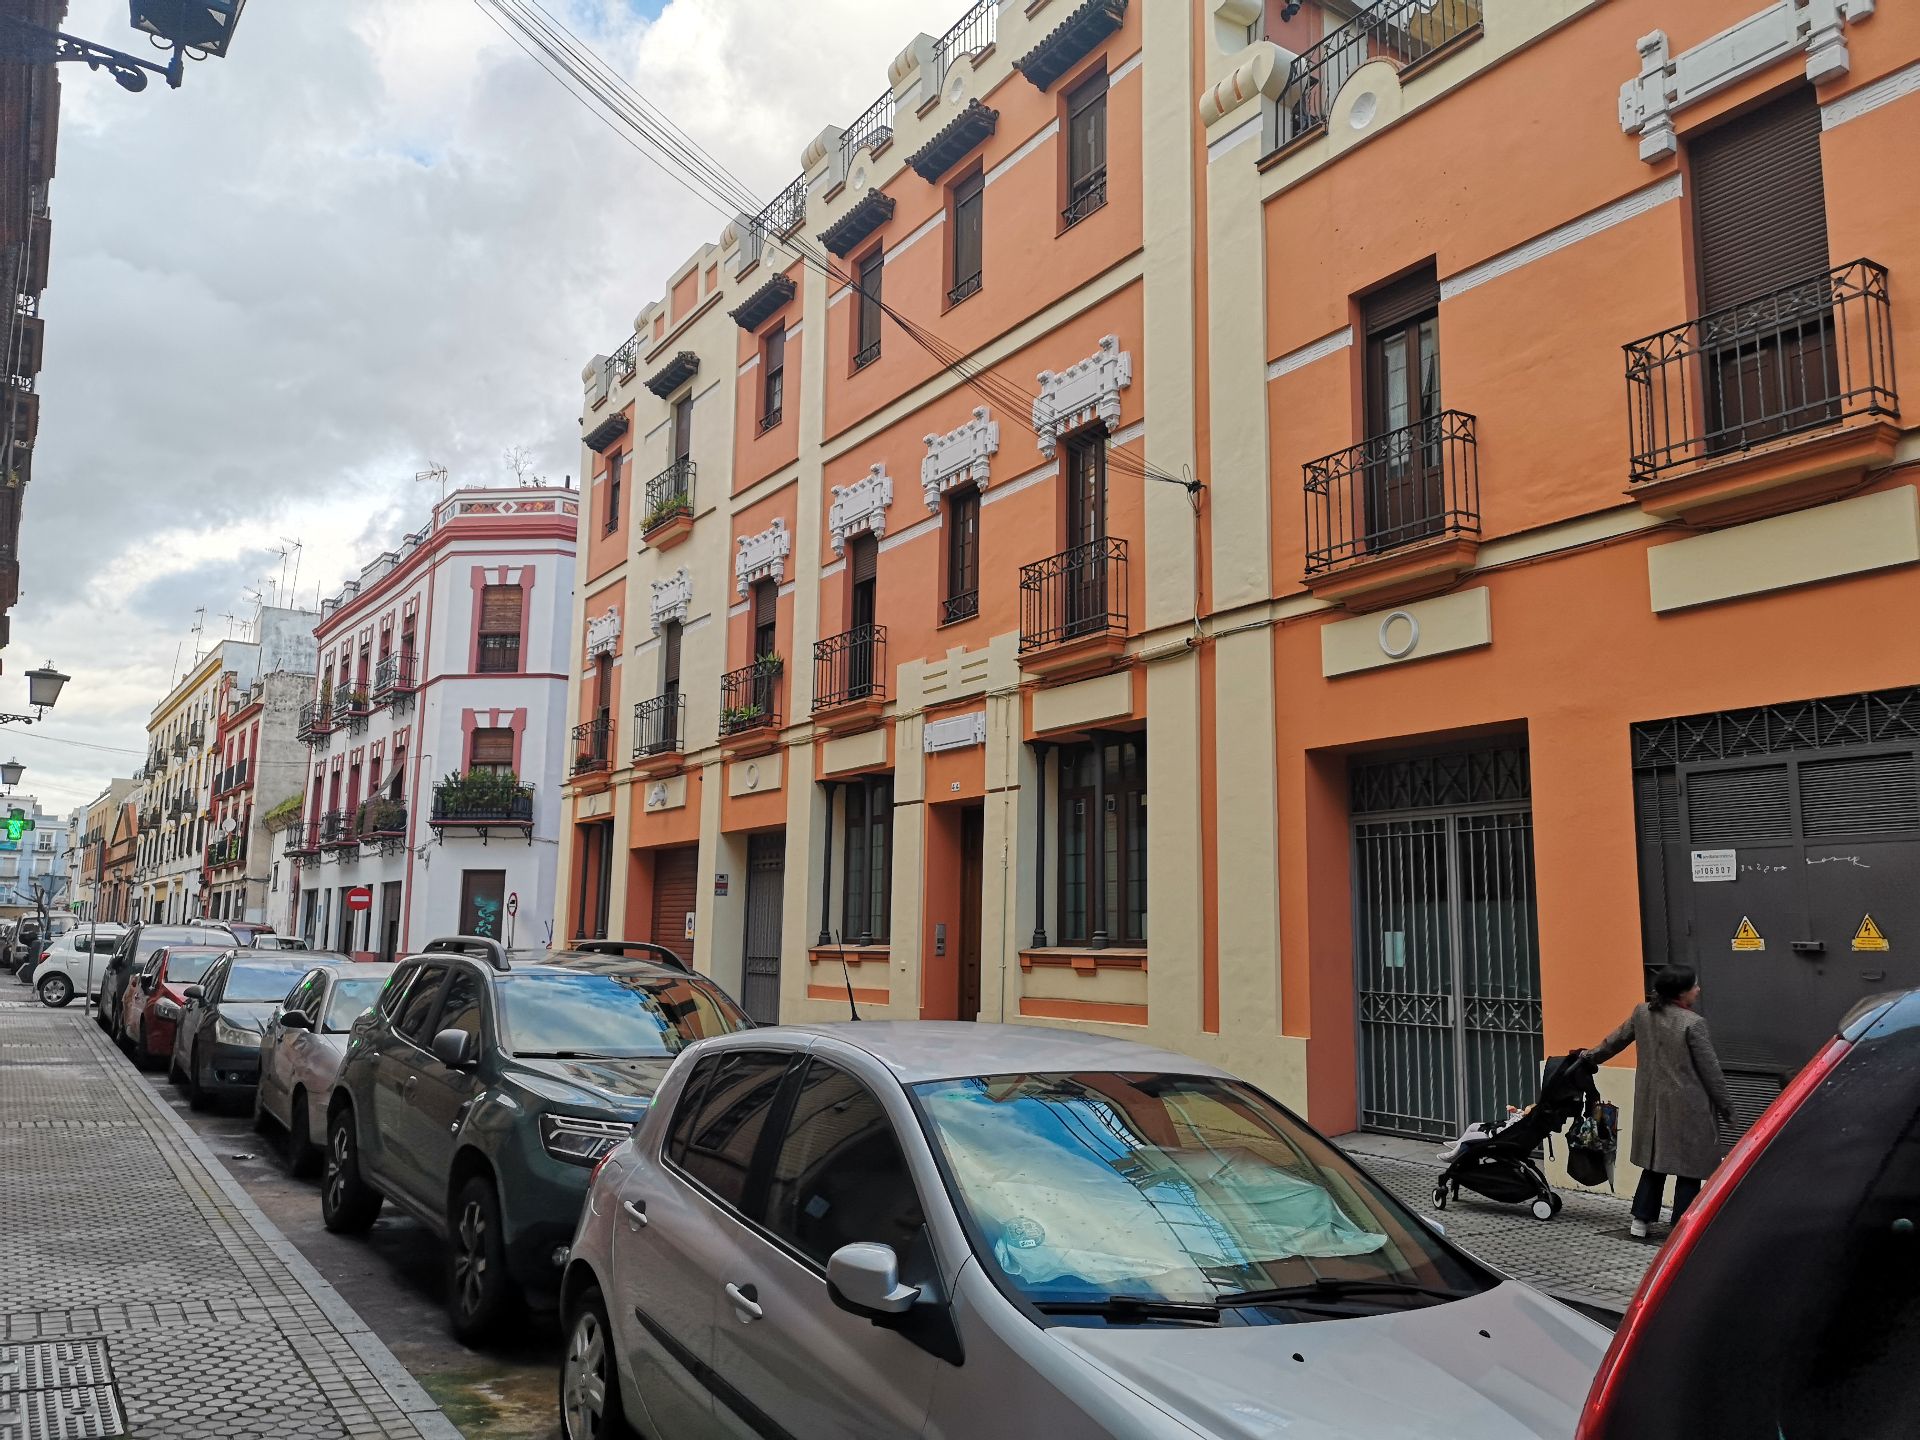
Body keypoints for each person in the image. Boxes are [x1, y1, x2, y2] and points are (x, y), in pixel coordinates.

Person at [1587, 964, 1733, 1238]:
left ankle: (1640, 1222)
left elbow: (1614, 1041)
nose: (1698, 990)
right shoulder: (1693, 1023)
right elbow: (1711, 1072)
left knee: (1654, 1165)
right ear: (1681, 993)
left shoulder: (1643, 1013)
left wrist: (1588, 1057)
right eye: (1694, 986)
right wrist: (1726, 1107)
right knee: (1690, 1168)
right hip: (1688, 1106)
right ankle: (1682, 1227)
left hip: (1651, 1105)